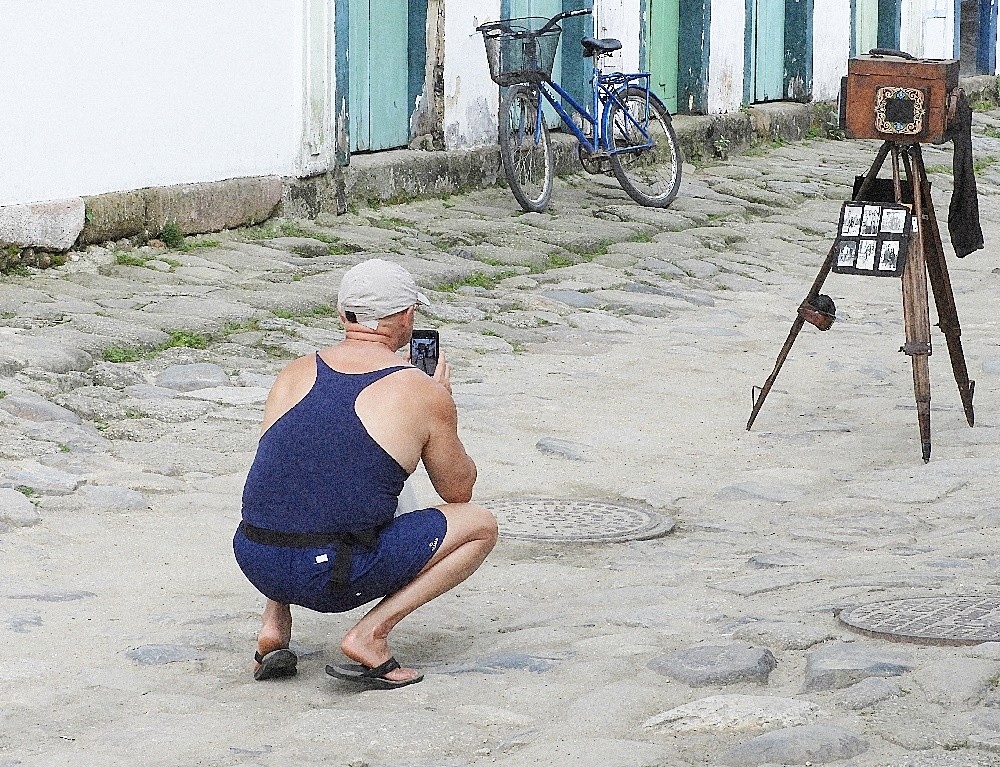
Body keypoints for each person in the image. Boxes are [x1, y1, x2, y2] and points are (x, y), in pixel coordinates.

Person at [233, 258, 498, 689]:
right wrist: (443, 403)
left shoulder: (293, 372)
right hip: (330, 575)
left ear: (343, 315)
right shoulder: (421, 390)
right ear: (408, 317)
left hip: (255, 557)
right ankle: (369, 636)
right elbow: (459, 491)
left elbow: (284, 475)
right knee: (481, 525)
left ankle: (274, 624)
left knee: (297, 486)